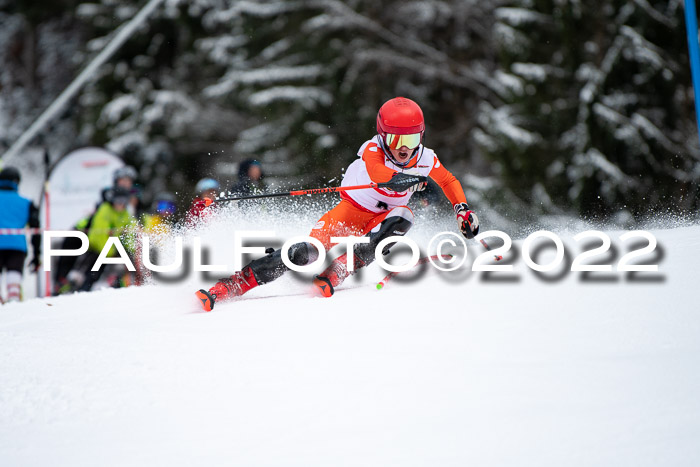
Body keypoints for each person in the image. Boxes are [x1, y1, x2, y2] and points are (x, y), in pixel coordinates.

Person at [195, 97, 480, 311]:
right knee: (304, 253)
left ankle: (343, 267)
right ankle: (235, 284)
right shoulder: (372, 150)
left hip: (386, 216)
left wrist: (461, 209)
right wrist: (409, 180)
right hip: (351, 212)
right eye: (395, 139)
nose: (403, 147)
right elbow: (382, 176)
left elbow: (448, 181)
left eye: (411, 139)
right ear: (383, 135)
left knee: (404, 216)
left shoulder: (426, 157)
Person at [74, 186, 136, 291]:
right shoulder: (105, 210)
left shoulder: (125, 214)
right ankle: (82, 289)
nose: (121, 204)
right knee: (94, 272)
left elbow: (129, 232)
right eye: (118, 200)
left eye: (124, 201)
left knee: (127, 265)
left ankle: (122, 286)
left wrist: (131, 249)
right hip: (96, 248)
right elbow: (99, 235)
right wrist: (109, 252)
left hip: (111, 248)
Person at [0, 167, 40, 303]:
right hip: (17, 246)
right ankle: (13, 300)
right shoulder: (26, 203)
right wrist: (37, 255)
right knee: (13, 278)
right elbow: (36, 230)